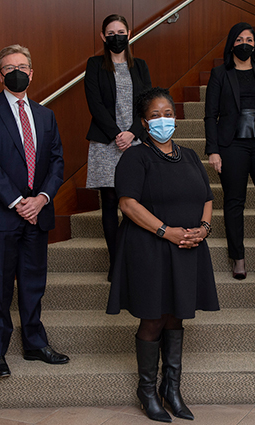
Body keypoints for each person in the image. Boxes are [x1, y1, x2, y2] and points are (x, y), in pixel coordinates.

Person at [107, 87, 219, 423]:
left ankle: (172, 389)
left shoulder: (188, 156)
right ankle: (147, 389)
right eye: (155, 115)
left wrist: (203, 228)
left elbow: (207, 198)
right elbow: (127, 204)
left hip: (187, 247)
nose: (163, 120)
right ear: (144, 121)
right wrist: (165, 231)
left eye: (167, 113)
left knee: (176, 316)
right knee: (153, 318)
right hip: (150, 248)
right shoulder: (135, 157)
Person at [0, 45, 68, 378]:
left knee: (32, 283)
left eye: (23, 66)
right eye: (9, 67)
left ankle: (35, 344)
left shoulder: (45, 114)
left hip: (38, 213)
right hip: (1, 213)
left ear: (32, 72)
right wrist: (17, 201)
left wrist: (41, 198)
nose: (17, 72)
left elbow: (57, 162)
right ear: (0, 75)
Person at [204, 22, 255, 279]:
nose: (246, 44)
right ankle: (237, 257)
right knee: (233, 202)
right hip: (233, 145)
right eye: (240, 39)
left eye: (250, 40)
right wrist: (213, 150)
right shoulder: (219, 74)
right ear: (231, 43)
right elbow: (210, 115)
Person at [84, 14, 152, 281]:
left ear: (129, 33)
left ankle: (133, 257)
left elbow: (148, 102)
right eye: (110, 33)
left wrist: (133, 132)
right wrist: (116, 134)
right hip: (106, 142)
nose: (116, 37)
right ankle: (116, 262)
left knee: (135, 202)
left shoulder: (141, 66)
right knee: (110, 201)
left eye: (120, 31)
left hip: (136, 141)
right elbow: (95, 104)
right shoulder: (94, 65)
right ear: (103, 37)